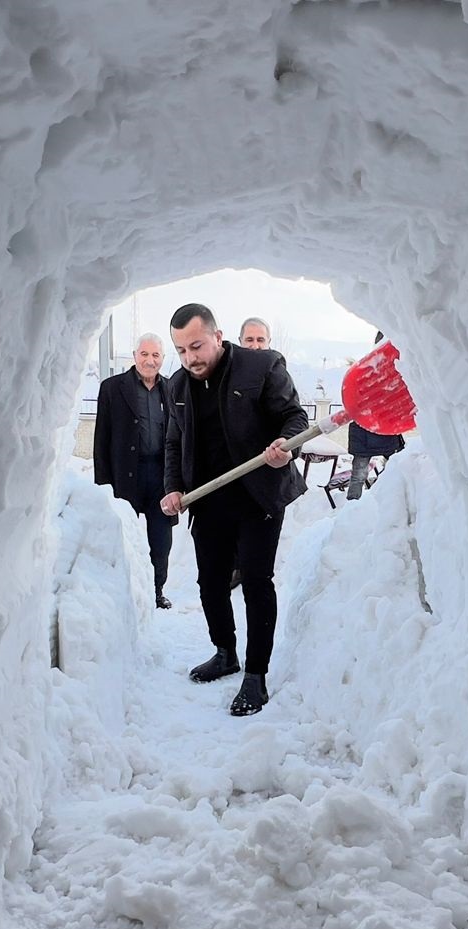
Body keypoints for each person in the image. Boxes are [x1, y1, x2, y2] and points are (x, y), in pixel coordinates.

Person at [160, 303, 308, 716]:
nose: (191, 358)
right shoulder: (177, 387)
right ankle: (225, 652)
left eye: (197, 346)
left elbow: (294, 417)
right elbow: (175, 443)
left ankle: (256, 676)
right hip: (208, 500)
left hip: (258, 496)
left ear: (217, 335)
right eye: (182, 350)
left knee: (257, 582)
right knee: (210, 582)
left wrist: (285, 446)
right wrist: (173, 487)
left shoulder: (261, 366)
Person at [92, 333, 177, 608]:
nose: (149, 360)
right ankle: (124, 591)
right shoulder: (112, 388)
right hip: (126, 474)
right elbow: (101, 440)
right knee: (125, 538)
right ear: (134, 355)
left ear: (162, 359)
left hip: (161, 477)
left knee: (161, 542)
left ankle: (156, 590)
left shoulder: (172, 389)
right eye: (144, 354)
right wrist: (103, 485)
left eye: (155, 355)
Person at [345, 331, 406, 500]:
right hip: (368, 432)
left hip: (382, 431)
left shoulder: (395, 370)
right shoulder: (365, 371)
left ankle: (384, 500)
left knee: (397, 468)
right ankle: (355, 509)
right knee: (361, 475)